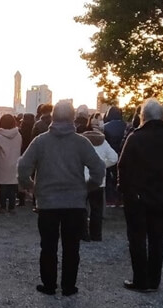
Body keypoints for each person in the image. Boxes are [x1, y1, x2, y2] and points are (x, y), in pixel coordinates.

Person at [18, 100, 105, 296]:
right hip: (75, 203)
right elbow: (98, 169)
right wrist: (86, 188)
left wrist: (32, 187)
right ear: (73, 118)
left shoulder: (40, 141)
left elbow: (23, 167)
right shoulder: (82, 142)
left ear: (52, 117)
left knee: (48, 246)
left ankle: (49, 285)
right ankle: (68, 286)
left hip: (47, 203)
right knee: (72, 247)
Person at [117, 98, 163, 292]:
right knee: (157, 238)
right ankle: (154, 280)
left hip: (137, 197)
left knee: (137, 239)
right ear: (162, 116)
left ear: (143, 116)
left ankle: (140, 280)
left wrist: (124, 191)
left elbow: (122, 166)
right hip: (161, 194)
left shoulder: (135, 137)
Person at [81, 113, 118, 241]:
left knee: (81, 208)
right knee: (96, 210)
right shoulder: (104, 142)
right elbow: (114, 158)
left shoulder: (81, 141)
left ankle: (83, 234)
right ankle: (96, 235)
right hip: (98, 181)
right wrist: (102, 165)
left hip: (82, 180)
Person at [0, 114, 22, 213]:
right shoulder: (18, 135)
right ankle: (12, 207)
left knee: (3, 185)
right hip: (15, 162)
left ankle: (3, 206)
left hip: (2, 163)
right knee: (12, 185)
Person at [103, 106, 127, 207]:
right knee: (121, 177)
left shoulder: (105, 127)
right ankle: (120, 199)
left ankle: (110, 199)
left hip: (109, 155)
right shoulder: (126, 126)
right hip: (123, 154)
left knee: (108, 177)